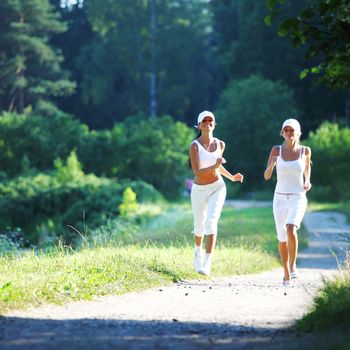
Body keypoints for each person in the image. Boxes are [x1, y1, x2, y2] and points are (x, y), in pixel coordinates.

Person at [189, 111, 244, 276]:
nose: (207, 123)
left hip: (217, 187)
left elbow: (218, 166)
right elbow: (198, 172)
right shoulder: (194, 146)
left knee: (211, 223)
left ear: (214, 124)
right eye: (204, 121)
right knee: (199, 226)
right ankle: (197, 251)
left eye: (210, 120)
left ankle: (207, 263)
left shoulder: (220, 144)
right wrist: (215, 165)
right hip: (199, 189)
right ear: (199, 125)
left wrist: (232, 177)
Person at [264, 118, 312, 287]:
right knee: (282, 239)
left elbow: (307, 169)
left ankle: (293, 266)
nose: (289, 133)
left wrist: (307, 181)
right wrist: (272, 165)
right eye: (286, 130)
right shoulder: (276, 150)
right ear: (282, 133)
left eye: (292, 130)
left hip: (298, 197)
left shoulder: (305, 151)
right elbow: (267, 176)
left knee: (291, 227)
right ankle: (285, 273)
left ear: (298, 133)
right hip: (280, 198)